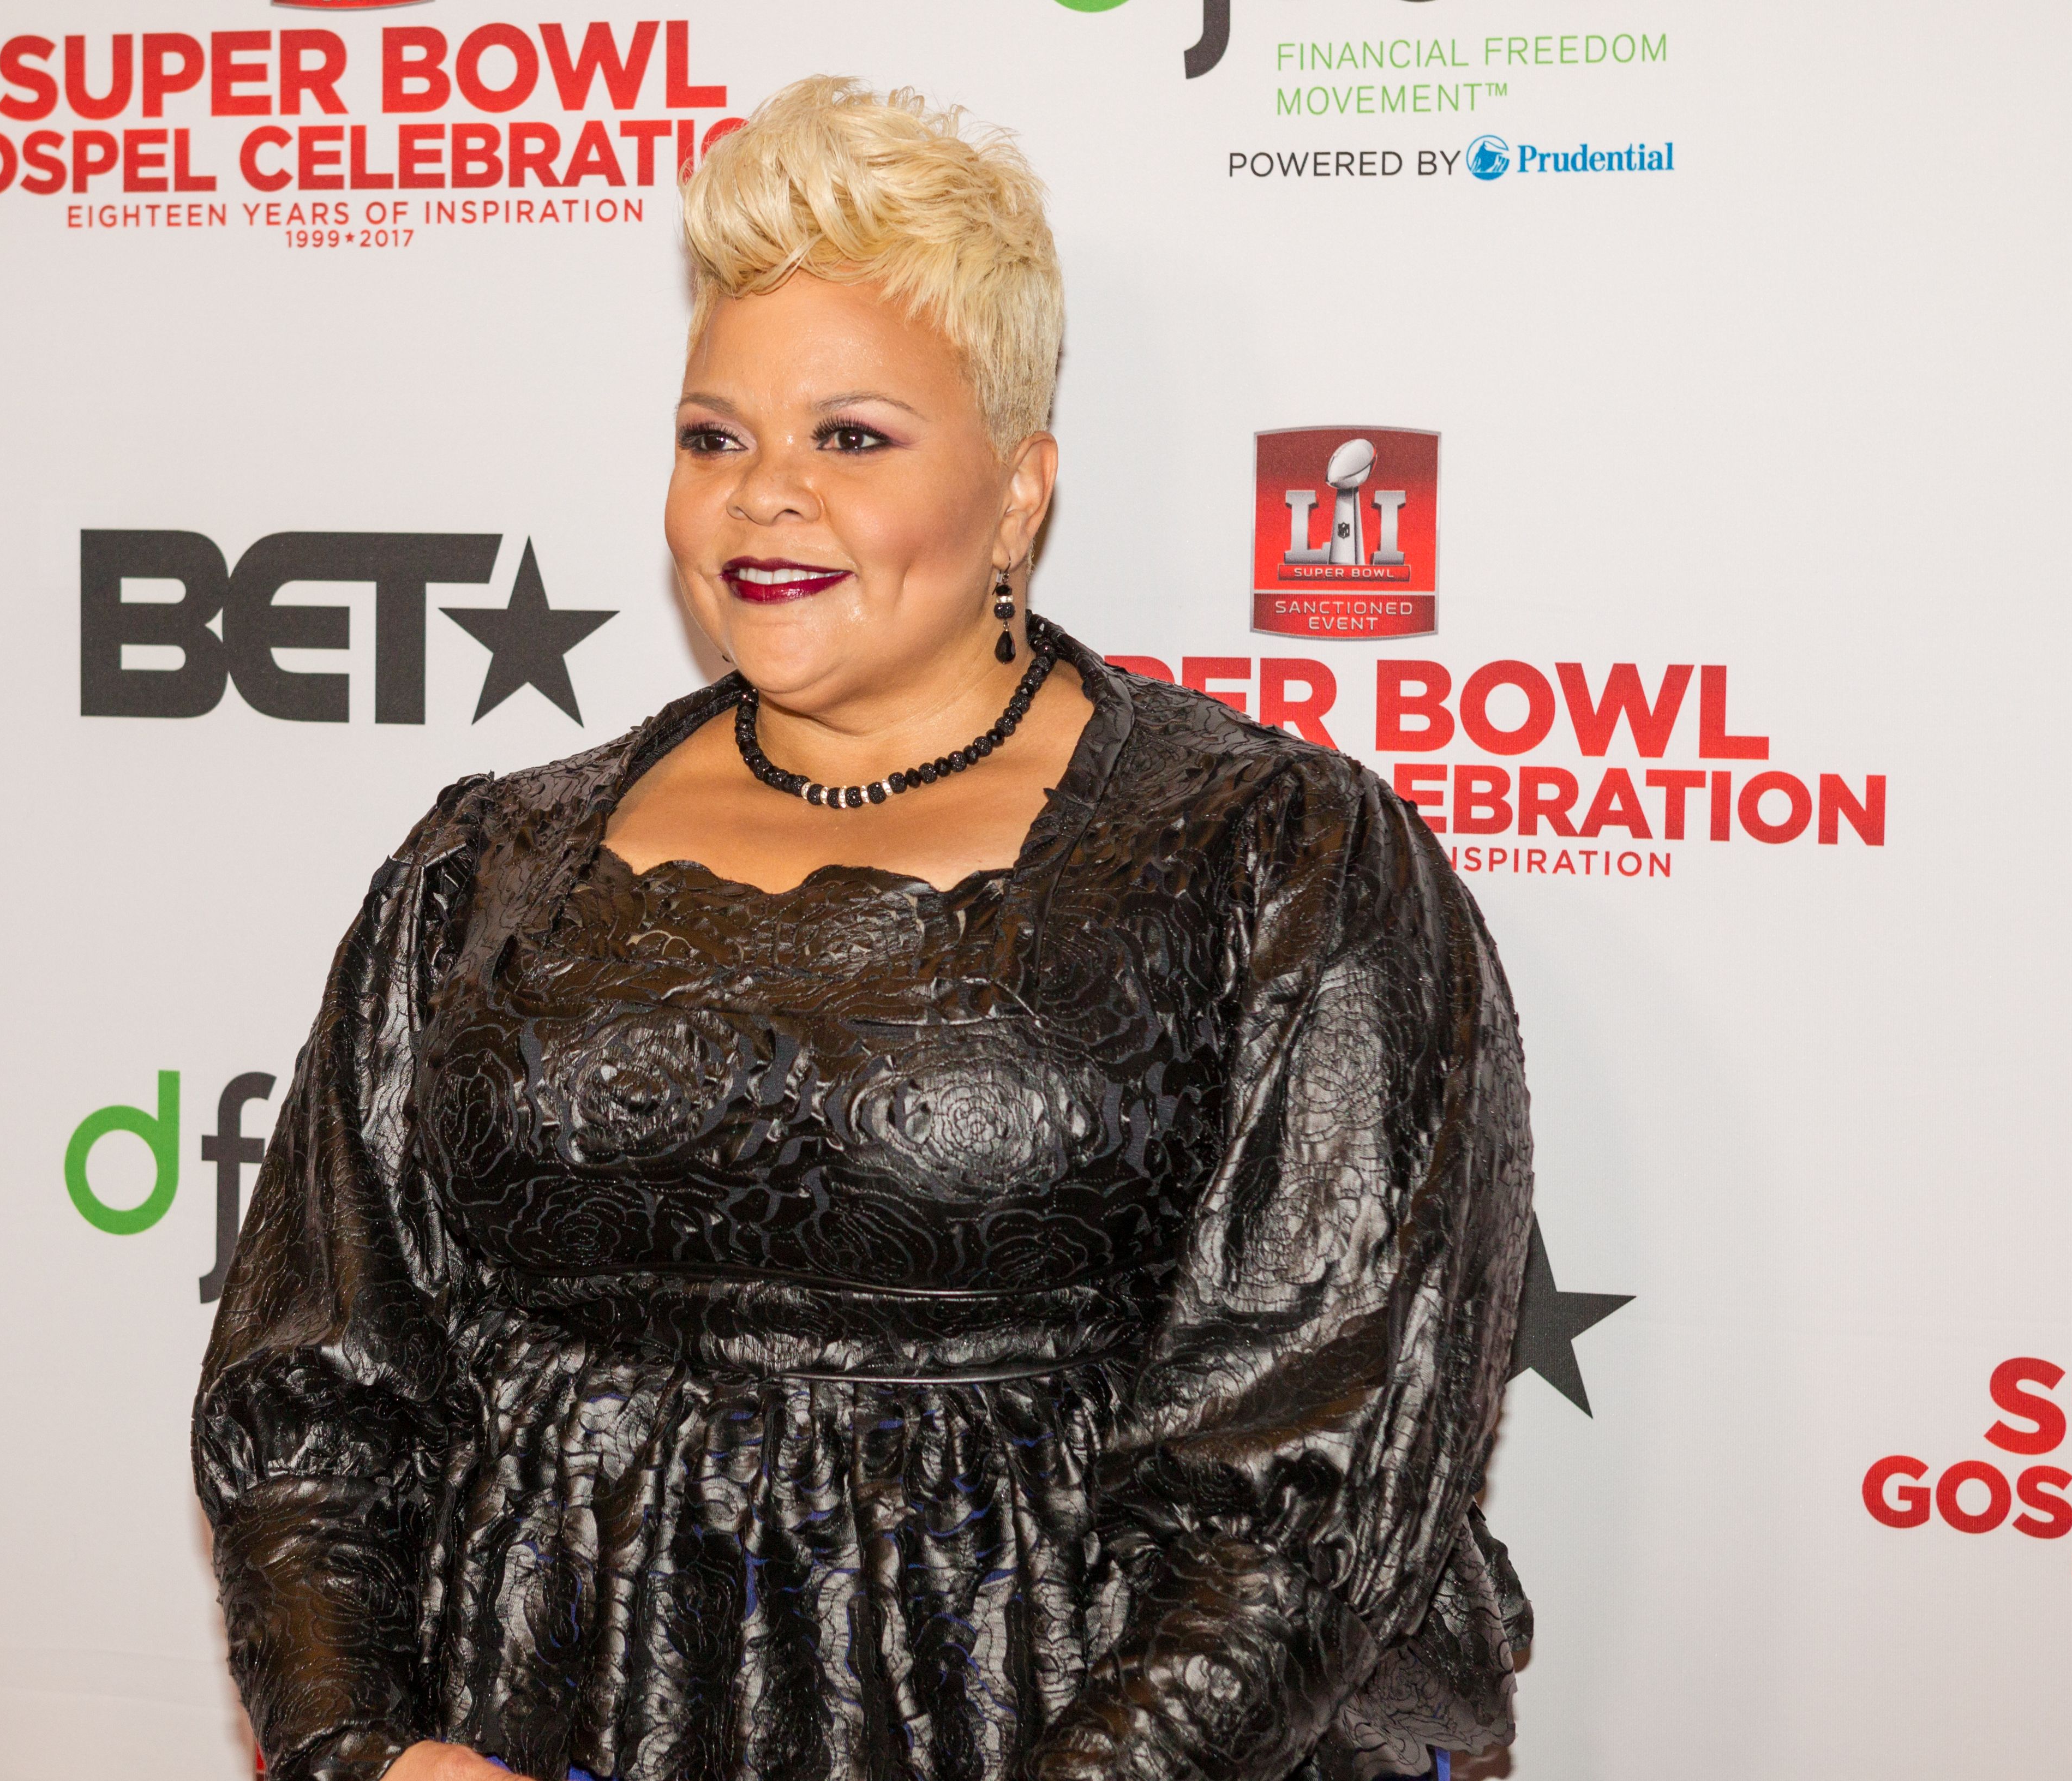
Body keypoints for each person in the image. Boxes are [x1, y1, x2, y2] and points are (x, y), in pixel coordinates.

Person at [195, 76, 1533, 1781]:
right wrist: (361, 1752)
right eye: (714, 438)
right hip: (552, 1723)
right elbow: (319, 1378)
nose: (764, 498)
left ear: (1021, 490)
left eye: (853, 438)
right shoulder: (492, 863)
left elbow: (1311, 1468)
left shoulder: (1275, 858)